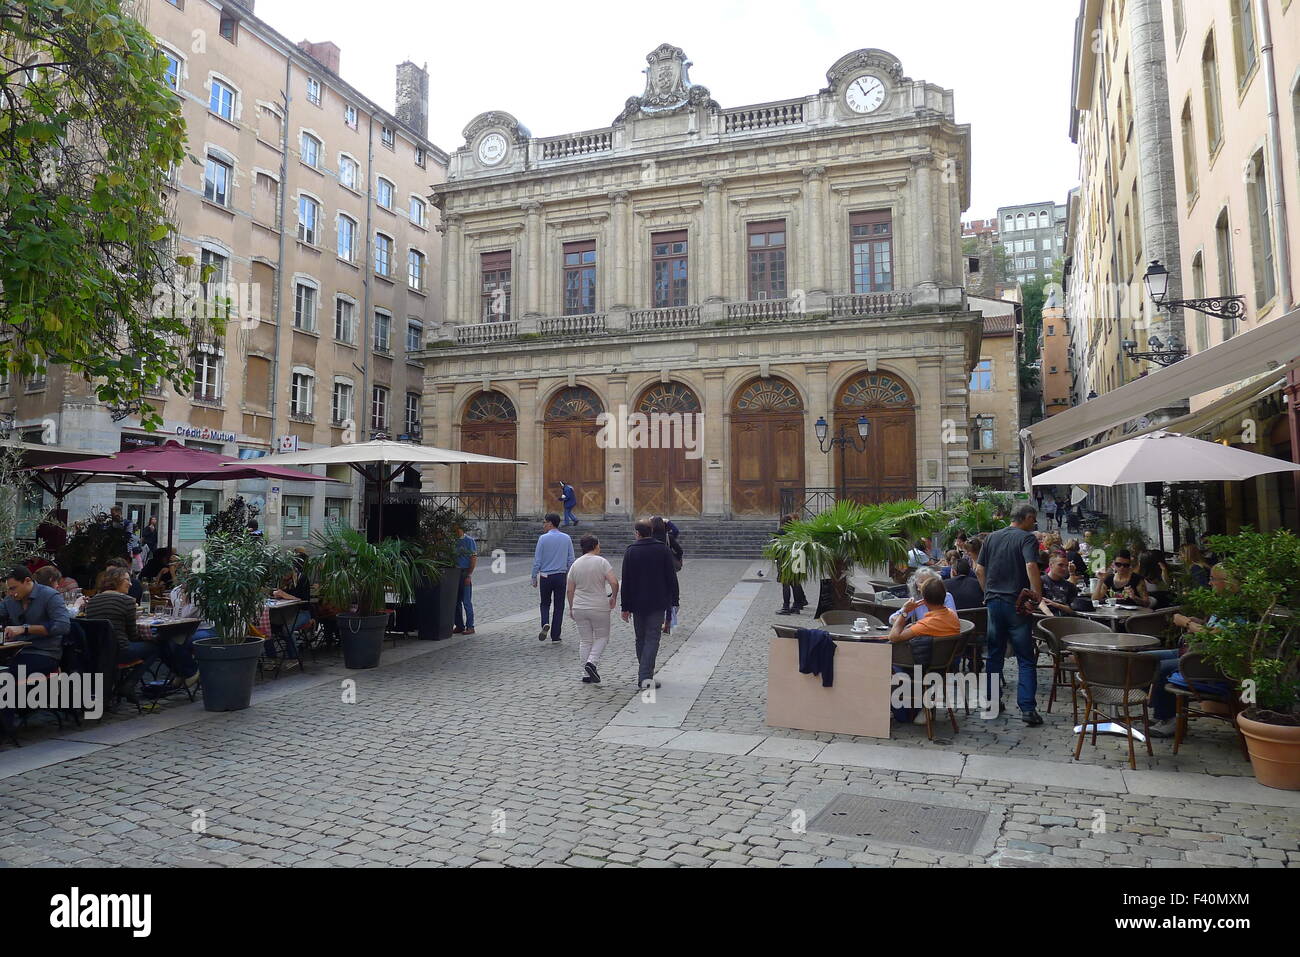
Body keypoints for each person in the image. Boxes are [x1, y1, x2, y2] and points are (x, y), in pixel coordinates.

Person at [1147, 564, 1238, 737]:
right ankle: (1159, 709)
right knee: (1145, 659)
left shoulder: (1237, 608)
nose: (1209, 583)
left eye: (1212, 579)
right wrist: (1198, 622)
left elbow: (1217, 636)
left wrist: (1188, 624)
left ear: (1227, 582)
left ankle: (1169, 719)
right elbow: (1211, 629)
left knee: (1162, 667)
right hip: (1194, 651)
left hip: (1208, 661)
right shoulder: (1222, 603)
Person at [976, 504, 1044, 725]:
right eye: (1033, 520)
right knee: (1025, 656)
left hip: (994, 603)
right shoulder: (1027, 538)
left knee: (994, 654)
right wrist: (1037, 596)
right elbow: (1031, 565)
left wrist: (987, 592)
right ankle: (1027, 709)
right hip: (1016, 603)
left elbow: (979, 569)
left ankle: (991, 700)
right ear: (1028, 518)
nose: (1034, 524)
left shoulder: (992, 537)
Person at [2, 565, 71, 731]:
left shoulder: (49, 596)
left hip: (45, 653)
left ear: (27, 581)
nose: (11, 593)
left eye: (13, 588)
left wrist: (25, 628)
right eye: (8, 590)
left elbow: (63, 625)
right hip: (17, 651)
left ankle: (4, 728)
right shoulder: (10, 600)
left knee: (6, 678)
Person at [887, 576, 962, 723]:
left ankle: (896, 708)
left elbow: (894, 636)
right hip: (944, 665)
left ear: (925, 600)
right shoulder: (952, 616)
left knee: (886, 659)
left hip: (924, 669)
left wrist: (904, 612)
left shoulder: (927, 624)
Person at [620, 518, 679, 690]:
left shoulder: (630, 551)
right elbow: (671, 578)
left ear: (637, 533)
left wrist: (625, 607)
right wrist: (675, 601)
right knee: (652, 638)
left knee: (641, 638)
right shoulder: (662, 550)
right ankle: (645, 676)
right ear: (651, 532)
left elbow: (627, 581)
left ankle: (645, 674)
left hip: (637, 603)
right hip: (658, 601)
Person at [83, 567, 158, 673]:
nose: (131, 584)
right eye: (127, 580)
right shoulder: (128, 601)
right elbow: (133, 636)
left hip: (96, 652)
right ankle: (130, 682)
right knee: (156, 646)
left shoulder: (92, 601)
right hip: (121, 652)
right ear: (115, 581)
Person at [566, 534, 619, 684]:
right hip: (598, 606)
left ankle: (585, 673)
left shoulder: (575, 564)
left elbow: (570, 590)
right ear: (595, 546)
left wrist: (571, 607)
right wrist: (613, 597)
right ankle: (592, 662)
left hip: (579, 606)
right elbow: (614, 582)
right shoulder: (601, 562)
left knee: (585, 640)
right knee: (602, 637)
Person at [531, 512, 574, 642]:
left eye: (544, 522)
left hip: (545, 576)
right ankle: (556, 635)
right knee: (559, 606)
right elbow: (571, 559)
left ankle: (545, 622)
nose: (543, 525)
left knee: (545, 603)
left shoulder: (542, 539)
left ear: (550, 523)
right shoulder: (566, 538)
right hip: (561, 576)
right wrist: (571, 576)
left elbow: (537, 560)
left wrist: (534, 576)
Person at [271, 548, 312, 654]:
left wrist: (284, 594)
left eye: (285, 573)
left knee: (286, 629)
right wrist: (276, 594)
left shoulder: (301, 578)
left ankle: (293, 655)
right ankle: (271, 656)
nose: (283, 576)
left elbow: (303, 600)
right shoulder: (282, 581)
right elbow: (277, 593)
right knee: (267, 628)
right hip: (285, 612)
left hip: (302, 612)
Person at [890, 568, 957, 624]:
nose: (926, 584)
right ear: (916, 586)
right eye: (922, 582)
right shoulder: (915, 601)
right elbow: (892, 619)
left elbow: (952, 619)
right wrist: (905, 611)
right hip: (924, 634)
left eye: (929, 581)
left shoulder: (946, 596)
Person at [776, 513, 808, 615]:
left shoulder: (780, 532)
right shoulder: (798, 532)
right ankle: (797, 606)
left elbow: (775, 547)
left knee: (785, 584)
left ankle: (785, 607)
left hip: (785, 560)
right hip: (797, 560)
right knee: (795, 584)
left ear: (783, 523)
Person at [451, 522, 477, 635]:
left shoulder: (469, 541)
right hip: (455, 572)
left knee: (466, 601)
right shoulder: (453, 542)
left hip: (465, 572)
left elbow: (473, 558)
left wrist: (469, 574)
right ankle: (459, 625)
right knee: (456, 602)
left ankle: (470, 626)